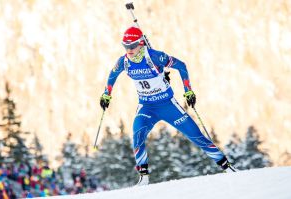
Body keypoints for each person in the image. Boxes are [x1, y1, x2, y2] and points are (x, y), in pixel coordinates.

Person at [100, 26, 236, 186]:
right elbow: (112, 76)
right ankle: (144, 178)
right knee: (137, 136)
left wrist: (188, 92)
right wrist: (106, 94)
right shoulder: (123, 62)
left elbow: (182, 66)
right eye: (125, 46)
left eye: (132, 46)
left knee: (196, 136)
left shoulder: (156, 57)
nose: (128, 50)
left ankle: (227, 167)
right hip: (146, 107)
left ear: (141, 43)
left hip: (167, 105)